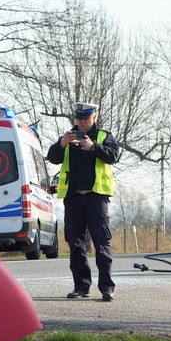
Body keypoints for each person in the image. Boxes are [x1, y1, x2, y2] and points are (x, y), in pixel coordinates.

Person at [47, 102, 120, 301]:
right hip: (73, 198)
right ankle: (81, 286)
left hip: (96, 197)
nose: (81, 122)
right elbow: (52, 158)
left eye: (85, 119)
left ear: (94, 117)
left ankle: (107, 287)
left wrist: (93, 147)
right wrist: (61, 144)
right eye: (78, 119)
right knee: (75, 243)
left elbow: (113, 156)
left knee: (101, 242)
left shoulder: (104, 136)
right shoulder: (68, 137)